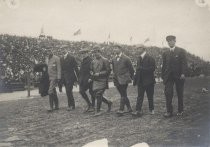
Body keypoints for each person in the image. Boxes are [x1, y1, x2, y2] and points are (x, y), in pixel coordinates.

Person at [162, 35, 187, 118]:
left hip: (179, 76)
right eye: (168, 41)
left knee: (179, 93)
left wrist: (183, 73)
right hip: (169, 76)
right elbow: (164, 66)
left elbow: (184, 63)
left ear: (175, 41)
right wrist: (163, 76)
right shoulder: (165, 53)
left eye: (171, 40)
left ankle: (180, 110)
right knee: (168, 93)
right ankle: (169, 111)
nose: (169, 42)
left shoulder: (181, 51)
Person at [132, 47, 156, 117]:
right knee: (139, 96)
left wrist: (142, 69)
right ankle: (138, 110)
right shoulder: (138, 58)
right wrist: (135, 80)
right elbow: (137, 70)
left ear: (143, 49)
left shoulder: (150, 58)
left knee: (150, 96)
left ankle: (151, 109)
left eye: (138, 49)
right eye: (137, 49)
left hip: (149, 81)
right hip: (141, 81)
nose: (137, 50)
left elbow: (152, 68)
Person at [112, 45, 134, 116]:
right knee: (123, 94)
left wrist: (129, 77)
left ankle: (121, 109)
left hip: (124, 79)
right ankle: (129, 108)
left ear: (120, 49)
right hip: (117, 79)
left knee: (123, 93)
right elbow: (114, 69)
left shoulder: (126, 58)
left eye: (116, 48)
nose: (114, 50)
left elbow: (131, 69)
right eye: (114, 48)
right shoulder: (113, 59)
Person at [90, 46, 112, 116]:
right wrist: (91, 74)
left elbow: (108, 71)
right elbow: (91, 70)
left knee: (99, 94)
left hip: (102, 80)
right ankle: (108, 102)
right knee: (96, 95)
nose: (95, 54)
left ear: (100, 52)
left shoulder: (105, 60)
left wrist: (99, 74)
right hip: (96, 80)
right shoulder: (93, 61)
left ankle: (98, 110)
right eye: (94, 52)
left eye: (96, 52)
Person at [46, 48, 61, 112]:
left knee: (50, 91)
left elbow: (59, 68)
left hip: (54, 77)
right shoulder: (47, 59)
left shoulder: (56, 58)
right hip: (49, 77)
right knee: (53, 91)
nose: (49, 52)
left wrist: (59, 77)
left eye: (50, 50)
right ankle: (57, 106)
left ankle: (51, 107)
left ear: (52, 51)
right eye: (47, 51)